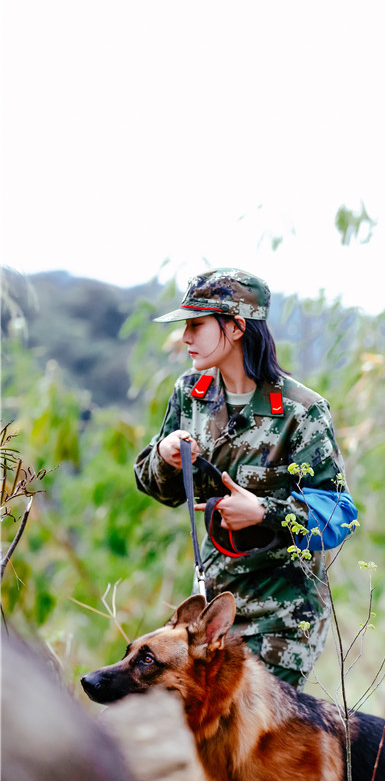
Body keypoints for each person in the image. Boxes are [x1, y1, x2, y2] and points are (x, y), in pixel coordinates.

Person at [134, 268, 355, 688]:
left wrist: (262, 512)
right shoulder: (191, 394)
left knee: (259, 744)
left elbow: (338, 513)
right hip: (211, 619)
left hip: (283, 617)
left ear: (236, 327)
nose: (185, 337)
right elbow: (155, 488)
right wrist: (164, 457)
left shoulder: (300, 410)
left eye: (196, 325)